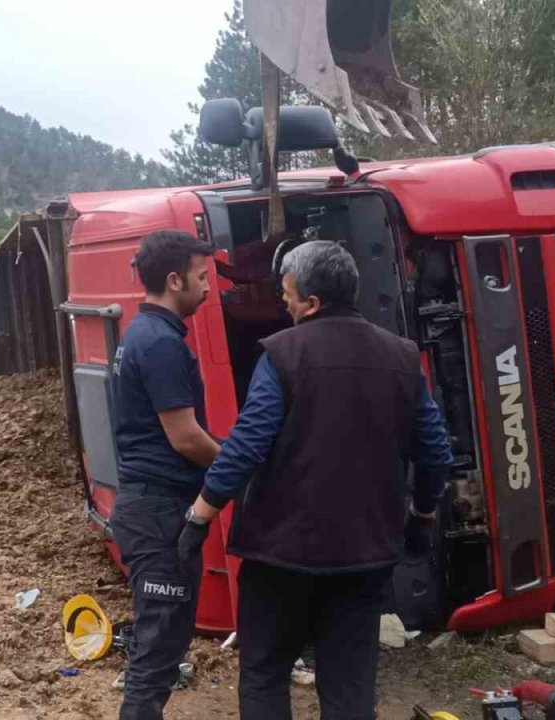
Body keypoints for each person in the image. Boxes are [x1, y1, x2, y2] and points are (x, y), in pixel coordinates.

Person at [179, 240, 454, 720]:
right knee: (349, 685)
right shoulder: (401, 357)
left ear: (311, 303)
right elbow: (434, 452)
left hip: (280, 552)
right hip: (364, 555)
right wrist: (422, 514)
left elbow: (248, 443)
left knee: (265, 675)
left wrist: (200, 515)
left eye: (286, 292)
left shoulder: (283, 354)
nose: (282, 301)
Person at [111, 230, 221, 720]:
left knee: (166, 644)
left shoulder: (145, 333)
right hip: (158, 514)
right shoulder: (159, 344)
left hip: (153, 507)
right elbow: (186, 439)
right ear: (174, 280)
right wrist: (240, 465)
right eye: (202, 278)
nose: (208, 288)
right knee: (157, 652)